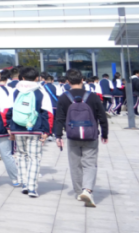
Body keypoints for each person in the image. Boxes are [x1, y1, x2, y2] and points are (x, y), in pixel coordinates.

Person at [54, 69, 108, 207]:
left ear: (67, 81)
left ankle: (79, 192)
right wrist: (105, 133)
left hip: (72, 135)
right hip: (91, 135)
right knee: (90, 163)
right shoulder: (93, 96)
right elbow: (102, 116)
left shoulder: (64, 97)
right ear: (82, 80)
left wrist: (58, 136)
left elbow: (59, 118)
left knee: (75, 164)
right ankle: (87, 190)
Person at [7, 67, 53, 198]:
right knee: (34, 157)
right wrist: (47, 131)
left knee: (21, 155)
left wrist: (9, 128)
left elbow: (8, 110)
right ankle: (32, 188)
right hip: (35, 128)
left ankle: (25, 184)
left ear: (22, 77)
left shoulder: (15, 91)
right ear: (37, 78)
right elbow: (47, 112)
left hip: (18, 128)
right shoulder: (41, 91)